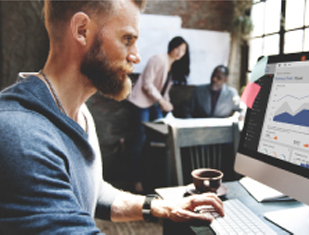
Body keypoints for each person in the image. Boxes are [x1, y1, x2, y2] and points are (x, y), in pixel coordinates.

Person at [0, 0, 223, 233]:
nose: (136, 56)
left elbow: (95, 192)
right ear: (81, 31)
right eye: (128, 39)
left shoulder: (81, 113)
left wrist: (160, 206)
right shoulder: (20, 134)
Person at [127, 36, 190, 192]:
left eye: (183, 51)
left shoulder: (172, 66)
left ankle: (153, 179)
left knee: (159, 139)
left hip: (154, 103)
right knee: (140, 141)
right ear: (172, 46)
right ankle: (136, 180)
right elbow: (147, 84)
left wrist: (167, 105)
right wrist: (162, 101)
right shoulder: (158, 59)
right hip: (141, 103)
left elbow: (164, 90)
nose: (180, 53)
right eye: (178, 48)